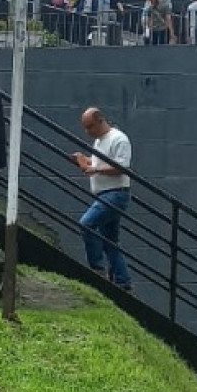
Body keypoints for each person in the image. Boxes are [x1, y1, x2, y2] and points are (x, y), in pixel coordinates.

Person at [73, 108, 132, 291]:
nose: (88, 132)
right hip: (106, 193)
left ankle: (97, 269)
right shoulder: (99, 141)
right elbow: (102, 164)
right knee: (110, 243)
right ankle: (123, 282)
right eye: (85, 127)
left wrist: (95, 169)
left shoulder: (118, 139)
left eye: (90, 126)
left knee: (86, 224)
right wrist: (86, 161)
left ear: (100, 121)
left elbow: (122, 167)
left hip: (114, 193)